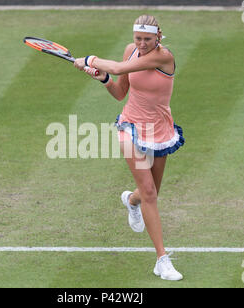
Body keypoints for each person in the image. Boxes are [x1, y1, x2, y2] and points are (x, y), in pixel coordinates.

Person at [74, 15, 185, 281]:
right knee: (150, 192)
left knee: (151, 192)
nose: (142, 44)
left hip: (160, 129)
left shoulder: (164, 57)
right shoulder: (130, 50)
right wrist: (103, 79)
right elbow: (119, 92)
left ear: (158, 36)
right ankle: (162, 259)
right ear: (134, 37)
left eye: (148, 39)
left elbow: (120, 68)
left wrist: (90, 60)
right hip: (131, 126)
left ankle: (130, 201)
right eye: (138, 39)